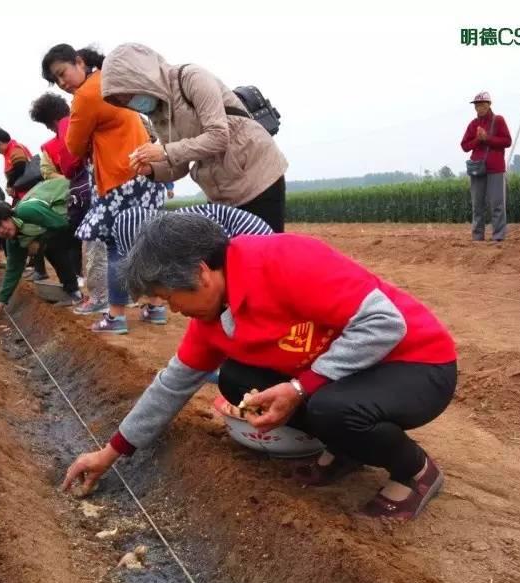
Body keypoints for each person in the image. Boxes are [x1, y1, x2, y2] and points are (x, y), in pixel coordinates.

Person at [63, 213, 457, 521]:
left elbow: (386, 324)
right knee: (238, 380)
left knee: (329, 408)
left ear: (201, 272)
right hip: (349, 373)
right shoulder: (212, 320)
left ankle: (414, 471)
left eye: (171, 297)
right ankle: (346, 449)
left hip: (415, 363)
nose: (174, 310)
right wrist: (109, 453)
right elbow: (170, 387)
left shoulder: (286, 260)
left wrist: (301, 388)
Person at [100, 43, 289, 233]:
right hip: (221, 195)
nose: (130, 103)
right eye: (123, 101)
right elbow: (179, 166)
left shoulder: (192, 78)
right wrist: (150, 169)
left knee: (265, 254)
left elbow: (219, 136)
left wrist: (164, 151)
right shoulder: (157, 112)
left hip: (258, 177)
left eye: (128, 95)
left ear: (140, 77)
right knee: (231, 259)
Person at [41, 43, 165, 333]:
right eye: (57, 80)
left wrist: (86, 142)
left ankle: (116, 316)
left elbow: (72, 145)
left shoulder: (86, 95)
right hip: (144, 173)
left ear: (79, 62)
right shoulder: (107, 81)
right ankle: (156, 307)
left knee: (115, 244)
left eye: (63, 73)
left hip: (119, 178)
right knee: (147, 242)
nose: (63, 83)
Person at [110, 203, 274, 325]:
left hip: (255, 250)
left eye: (168, 298)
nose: (173, 309)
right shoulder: (166, 235)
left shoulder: (177, 236)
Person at [0, 178, 82, 317]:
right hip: (65, 222)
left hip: (73, 202)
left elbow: (61, 224)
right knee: (48, 245)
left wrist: (40, 242)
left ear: (7, 216)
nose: (1, 230)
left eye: (0, 223)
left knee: (51, 245)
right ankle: (73, 291)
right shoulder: (13, 241)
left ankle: (74, 293)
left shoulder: (26, 212)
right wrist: (1, 301)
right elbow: (13, 269)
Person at [29, 92, 89, 283]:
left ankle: (87, 283)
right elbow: (47, 171)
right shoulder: (49, 146)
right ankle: (80, 276)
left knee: (75, 237)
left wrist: (71, 180)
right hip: (75, 191)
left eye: (48, 124)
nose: (49, 129)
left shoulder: (80, 123)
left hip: (81, 192)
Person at [460, 92, 512, 242]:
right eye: (476, 105)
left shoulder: (498, 120)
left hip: (495, 168)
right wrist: (478, 139)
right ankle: (477, 237)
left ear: (489, 104)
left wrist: (487, 138)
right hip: (477, 168)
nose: (479, 108)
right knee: (477, 205)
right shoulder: (473, 124)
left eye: (482, 104)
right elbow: (464, 146)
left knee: (497, 204)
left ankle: (498, 237)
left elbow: (507, 141)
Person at [0, 126, 33, 205]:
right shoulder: (10, 151)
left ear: (0, 143)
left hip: (28, 194)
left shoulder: (14, 149)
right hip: (24, 194)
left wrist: (10, 185)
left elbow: (20, 167)